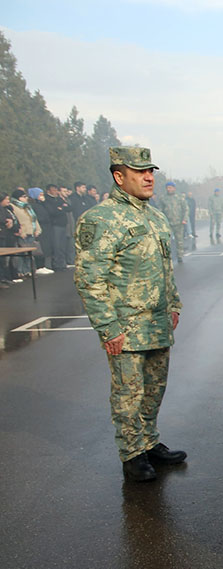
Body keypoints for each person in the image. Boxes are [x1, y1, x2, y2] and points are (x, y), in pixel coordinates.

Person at [73, 146, 186, 482]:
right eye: (139, 172)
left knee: (154, 388)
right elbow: (90, 280)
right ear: (119, 177)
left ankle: (149, 442)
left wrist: (174, 304)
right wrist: (108, 327)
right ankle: (132, 453)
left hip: (157, 322)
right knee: (128, 393)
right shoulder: (100, 219)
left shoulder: (155, 216)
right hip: (126, 326)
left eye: (150, 171)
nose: (149, 177)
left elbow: (165, 268)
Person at [41, 183, 71, 271]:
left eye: (56, 190)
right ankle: (57, 264)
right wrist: (61, 209)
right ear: (48, 191)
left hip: (63, 224)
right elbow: (52, 211)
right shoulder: (47, 200)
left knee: (62, 246)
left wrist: (61, 208)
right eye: (53, 190)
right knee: (56, 246)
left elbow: (69, 208)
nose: (55, 192)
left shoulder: (59, 199)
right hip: (55, 225)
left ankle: (62, 263)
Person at [159, 181, 188, 263]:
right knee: (167, 240)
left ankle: (180, 256)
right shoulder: (163, 198)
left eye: (170, 188)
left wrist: (184, 219)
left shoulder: (180, 198)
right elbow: (160, 210)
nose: (169, 189)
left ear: (174, 188)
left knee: (179, 240)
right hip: (168, 223)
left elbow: (185, 209)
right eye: (168, 188)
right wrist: (161, 220)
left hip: (179, 222)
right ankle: (167, 257)